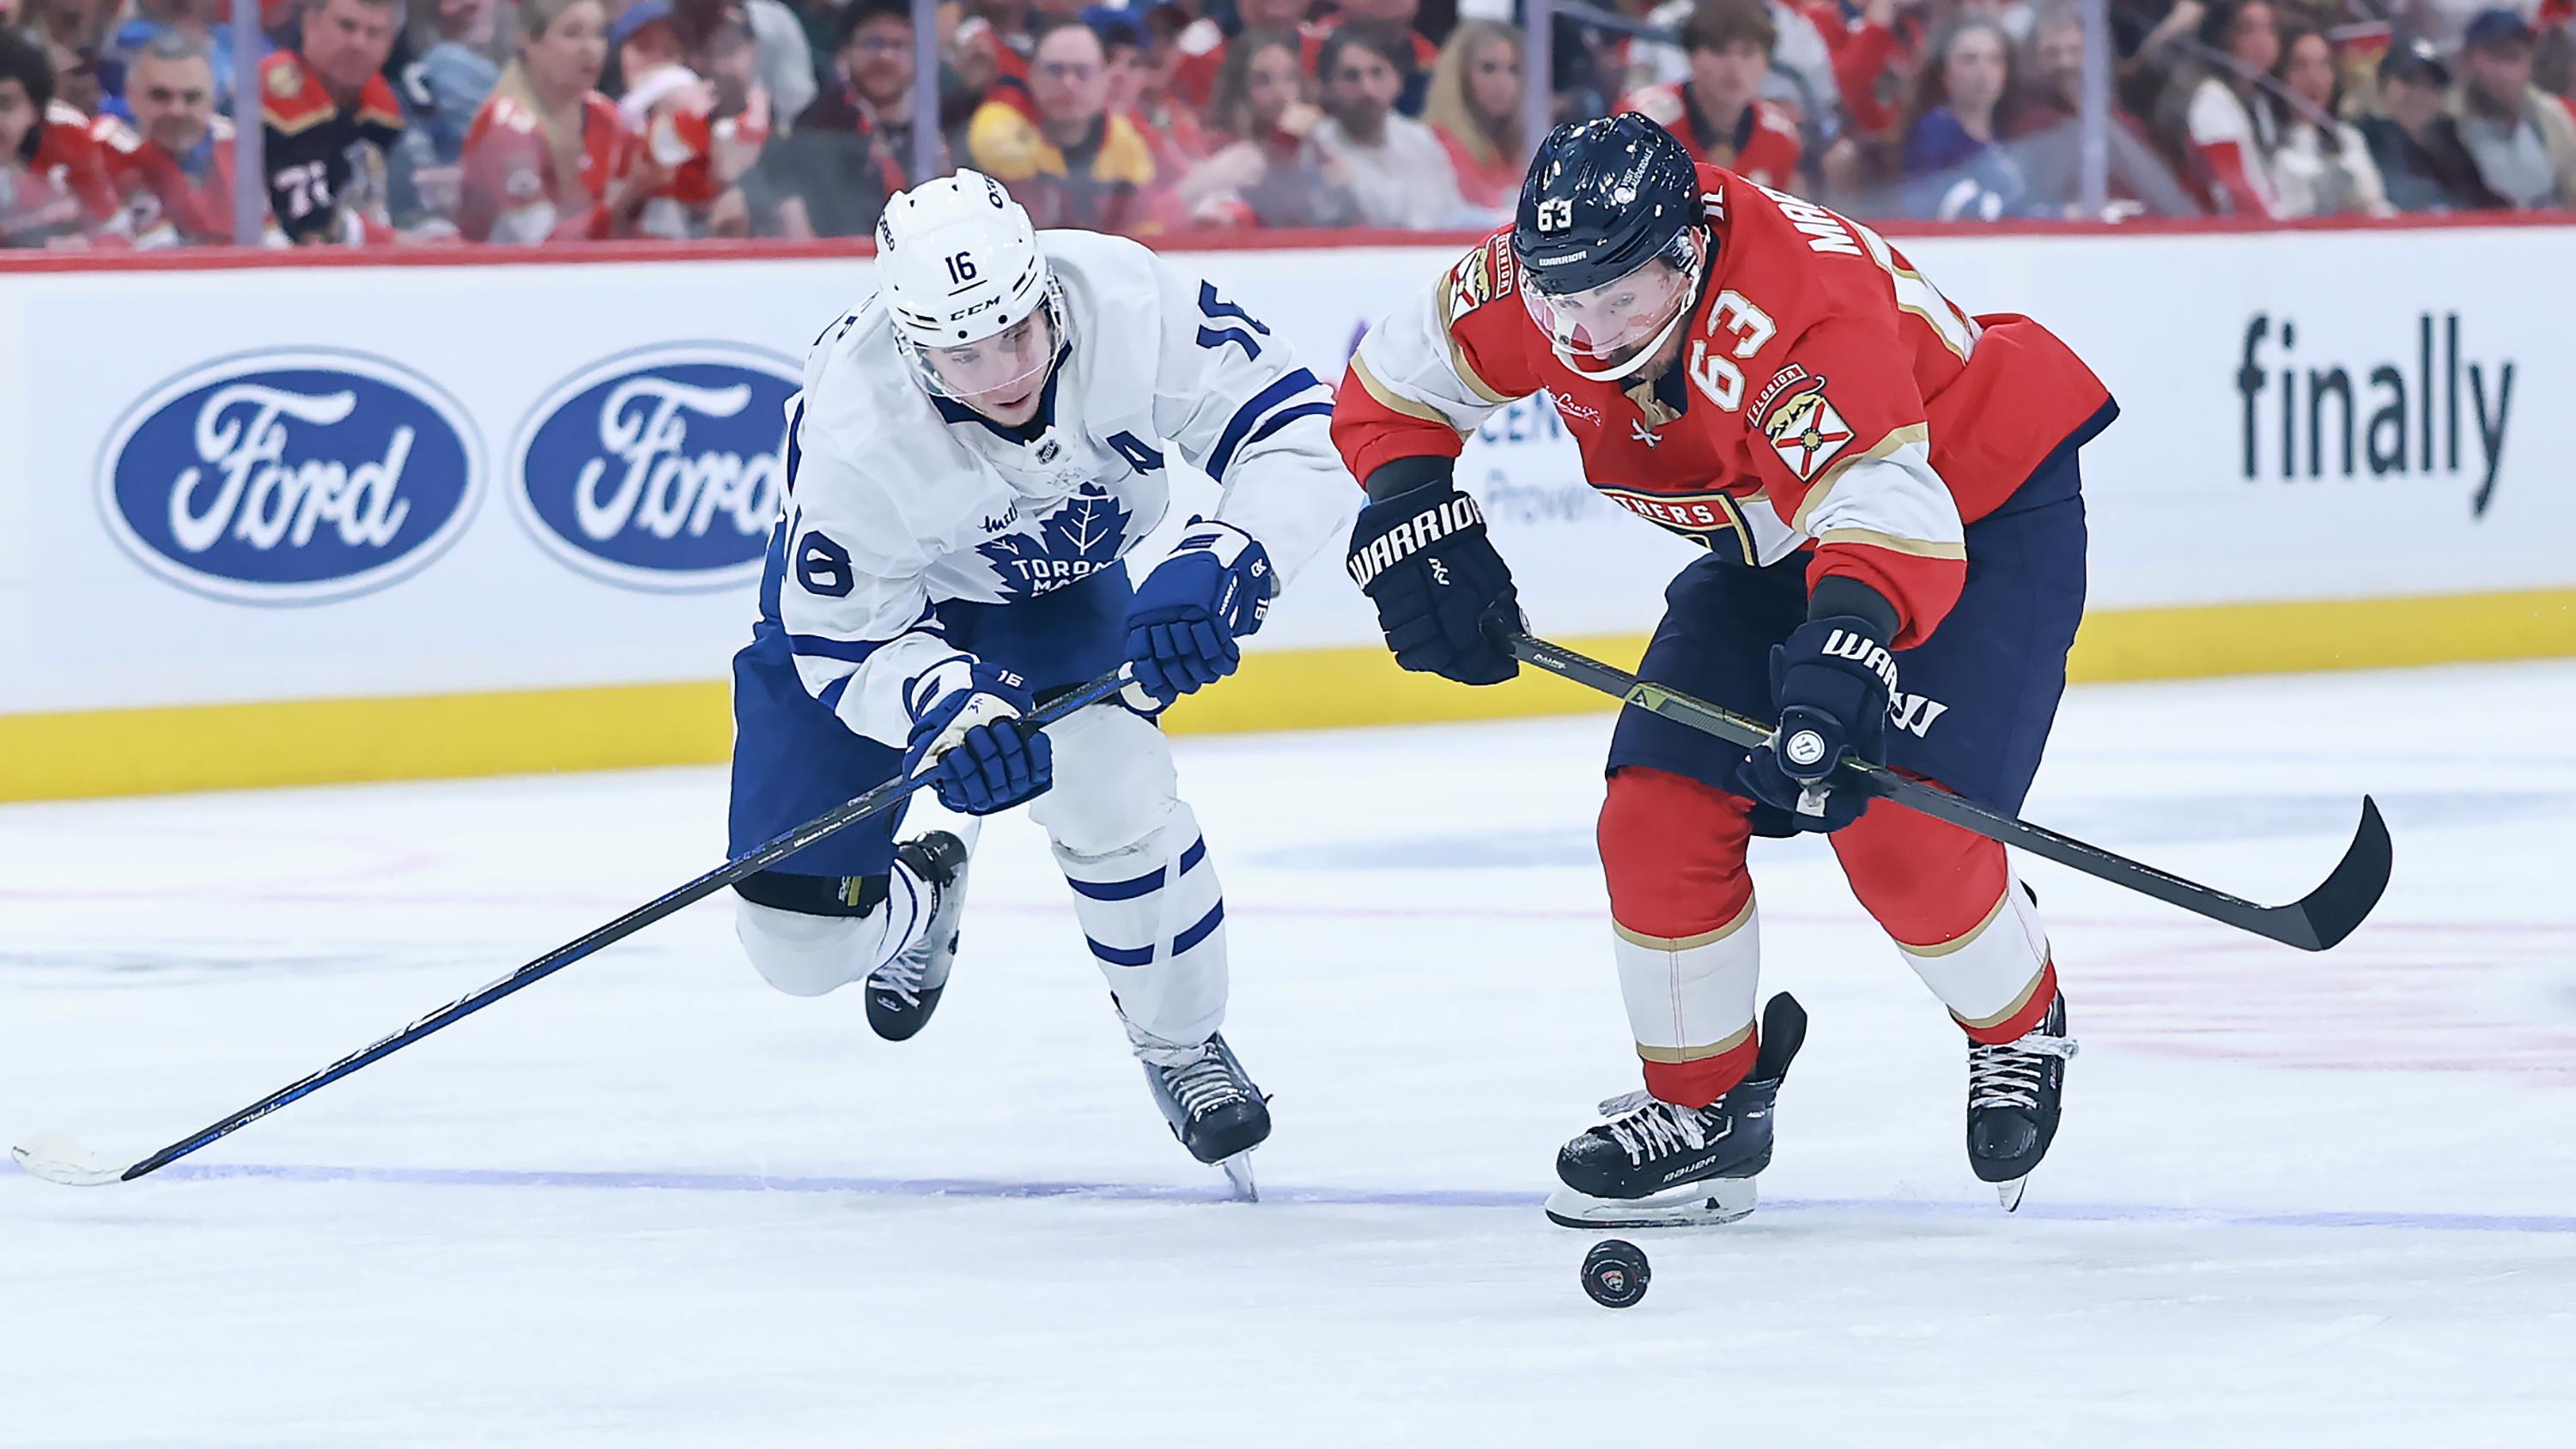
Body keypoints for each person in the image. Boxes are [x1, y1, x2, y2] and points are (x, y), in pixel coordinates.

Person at [1330, 113, 2113, 1227]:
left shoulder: (1793, 309)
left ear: (1685, 256)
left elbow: (1883, 509)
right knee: (1655, 808)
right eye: (1565, 304)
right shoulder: (1542, 275)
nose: (1588, 334)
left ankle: (2016, 1017)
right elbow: (1391, 385)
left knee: (1905, 834)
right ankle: (1703, 1115)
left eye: (1620, 300)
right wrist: (1417, 515)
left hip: (1970, 514)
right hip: (1777, 536)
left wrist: (1845, 652)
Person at [730, 172, 1354, 1194]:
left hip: (1045, 589)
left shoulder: (1126, 297)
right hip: (874, 624)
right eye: (963, 353)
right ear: (910, 341)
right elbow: (845, 637)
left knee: (1117, 784)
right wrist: (945, 711)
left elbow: (1295, 426)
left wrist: (1228, 556)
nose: (1005, 370)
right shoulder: (852, 423)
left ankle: (1180, 1040)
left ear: (1044, 289)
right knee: (798, 942)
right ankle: (921, 891)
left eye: (1018, 331)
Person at [457, 0, 631, 241]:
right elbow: (537, 246)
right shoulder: (505, 128)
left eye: (599, 34)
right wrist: (622, 202)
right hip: (504, 274)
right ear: (529, 40)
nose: (591, 49)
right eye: (572, 34)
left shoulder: (606, 115)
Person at [2008, 3, 2201, 218]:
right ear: (2035, 60)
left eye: (2075, 51)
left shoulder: (2124, 120)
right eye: (2053, 53)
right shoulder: (2032, 124)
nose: (2065, 62)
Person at [967, 17, 1159, 232]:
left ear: (1105, 78)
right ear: (1030, 74)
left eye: (1083, 71)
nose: (1068, 83)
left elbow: (1145, 229)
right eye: (1055, 70)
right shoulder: (1000, 122)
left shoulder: (1125, 141)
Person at [262, 0, 409, 244]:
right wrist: (399, 241)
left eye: (374, 33)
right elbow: (308, 225)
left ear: (390, 43)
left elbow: (411, 207)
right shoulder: (273, 95)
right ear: (310, 23)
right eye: (346, 26)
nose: (358, 44)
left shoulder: (386, 108)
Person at [1176, 25, 1354, 227]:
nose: (1280, 94)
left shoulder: (1321, 150)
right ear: (1241, 90)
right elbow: (1180, 209)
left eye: (1290, 78)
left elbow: (1352, 219)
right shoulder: (1232, 159)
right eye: (1263, 81)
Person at [1619, 0, 1805, 191]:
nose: (1734, 68)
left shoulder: (1781, 137)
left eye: (1748, 53)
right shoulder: (1643, 123)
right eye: (1719, 51)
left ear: (1767, 63)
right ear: (1691, 56)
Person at [93, 25, 252, 245]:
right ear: (131, 95)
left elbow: (272, 245)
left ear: (211, 100)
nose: (177, 111)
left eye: (191, 97)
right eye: (161, 96)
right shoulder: (96, 153)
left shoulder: (237, 151)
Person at [1305, 21, 1468, 227]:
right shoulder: (1313, 149)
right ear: (1327, 86)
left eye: (1377, 73)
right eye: (1351, 76)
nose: (1367, 89)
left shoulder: (1422, 142)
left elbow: (1453, 217)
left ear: (1398, 79)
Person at [0, 23, 125, 246]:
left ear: (35, 110)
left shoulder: (68, 141)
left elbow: (113, 234)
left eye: (5, 105)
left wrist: (86, 248)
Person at [1899, 17, 2026, 217]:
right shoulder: (1933, 134)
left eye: (1994, 59)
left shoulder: (2010, 135)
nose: (1983, 71)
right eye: (1969, 59)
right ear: (1945, 74)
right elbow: (1956, 207)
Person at [2357, 39, 2503, 211]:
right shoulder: (2361, 143)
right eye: (2409, 80)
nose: (2420, 94)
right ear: (2383, 86)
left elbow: (2482, 201)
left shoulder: (2452, 148)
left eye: (2432, 85)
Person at [2452, 7, 2576, 209]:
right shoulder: (2447, 119)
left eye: (2515, 57)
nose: (2506, 74)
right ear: (2467, 60)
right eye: (2496, 57)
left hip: (2549, 231)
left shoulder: (2549, 116)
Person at [2176, 0, 2286, 217]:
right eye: (2248, 30)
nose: (2261, 42)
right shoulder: (2212, 102)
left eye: (2269, 29)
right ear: (2225, 38)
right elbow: (2234, 189)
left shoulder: (2258, 104)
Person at [2267, 23, 2389, 216]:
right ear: (2282, 75)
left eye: (2323, 65)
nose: (2314, 78)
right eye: (2300, 65)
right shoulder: (2268, 142)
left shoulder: (2349, 139)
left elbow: (2376, 205)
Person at [1421, 16, 1525, 220]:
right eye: (1489, 68)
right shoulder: (1435, 147)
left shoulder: (1517, 149)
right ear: (1460, 74)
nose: (1503, 82)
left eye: (1514, 69)